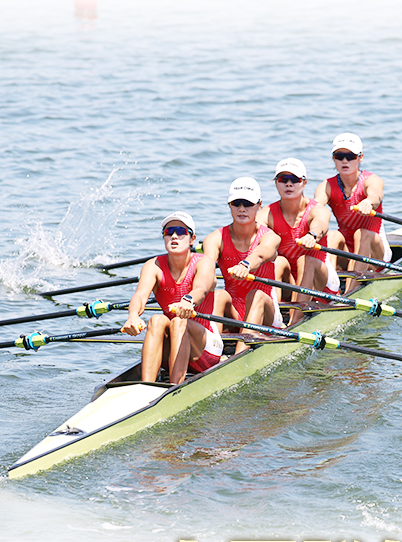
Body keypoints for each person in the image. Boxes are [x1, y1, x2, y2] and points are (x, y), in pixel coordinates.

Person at [121, 211, 228, 384]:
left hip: (205, 350)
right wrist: (132, 316)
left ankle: (174, 387)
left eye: (181, 231)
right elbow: (139, 296)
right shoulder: (153, 266)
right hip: (173, 346)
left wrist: (188, 300)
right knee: (156, 319)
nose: (174, 236)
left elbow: (201, 288)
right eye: (168, 232)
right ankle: (146, 386)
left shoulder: (204, 262)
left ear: (192, 239)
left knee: (179, 321)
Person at [201, 177, 288, 353]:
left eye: (247, 204)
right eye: (236, 203)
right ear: (229, 205)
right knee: (218, 294)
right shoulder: (214, 239)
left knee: (256, 295)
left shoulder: (270, 237)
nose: (242, 209)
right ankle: (211, 353)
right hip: (234, 313)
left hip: (267, 314)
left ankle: (237, 357)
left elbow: (261, 253)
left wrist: (246, 265)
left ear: (259, 205)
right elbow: (206, 268)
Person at [258, 157, 337, 324]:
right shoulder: (266, 213)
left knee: (305, 260)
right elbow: (254, 233)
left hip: (321, 282)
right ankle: (274, 321)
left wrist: (312, 235)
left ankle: (294, 322)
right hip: (290, 281)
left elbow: (320, 224)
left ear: (304, 183)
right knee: (277, 261)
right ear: (276, 183)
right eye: (283, 179)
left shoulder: (317, 210)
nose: (288, 184)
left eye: (294, 179)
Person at [314, 132, 390, 293]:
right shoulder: (326, 186)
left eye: (350, 156)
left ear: (360, 157)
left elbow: (376, 195)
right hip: (349, 251)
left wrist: (368, 202)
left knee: (362, 234)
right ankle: (331, 290)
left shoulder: (371, 180)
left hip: (376, 253)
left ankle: (348, 294)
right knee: (332, 235)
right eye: (339, 156)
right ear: (333, 158)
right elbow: (315, 208)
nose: (344, 161)